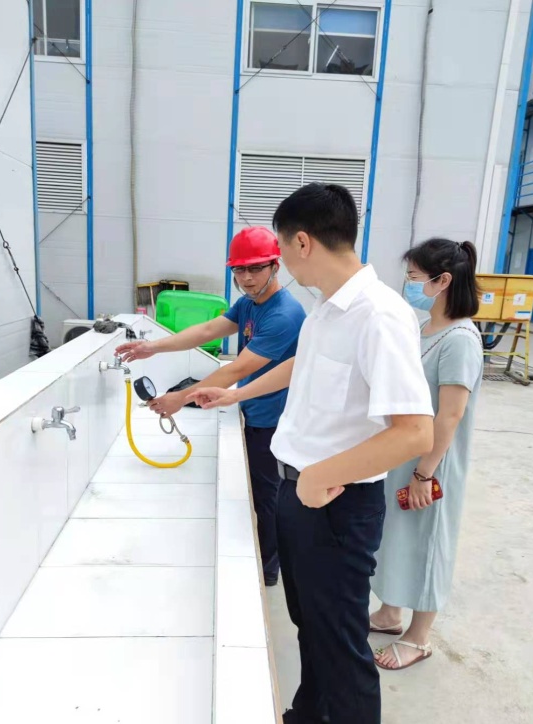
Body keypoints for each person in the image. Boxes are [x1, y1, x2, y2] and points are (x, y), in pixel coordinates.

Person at [186, 184, 434, 724]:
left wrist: (319, 476)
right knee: (310, 625)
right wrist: (234, 394)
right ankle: (307, 714)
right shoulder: (327, 308)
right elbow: (302, 366)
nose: (279, 261)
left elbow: (415, 431)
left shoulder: (380, 314)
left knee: (340, 644)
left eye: (279, 246)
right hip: (300, 491)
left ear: (302, 242)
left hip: (336, 505)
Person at [116, 227, 306, 587]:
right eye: (239, 270)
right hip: (254, 409)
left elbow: (237, 369)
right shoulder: (249, 304)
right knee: (259, 493)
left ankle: (269, 569)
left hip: (276, 420)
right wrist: (151, 347)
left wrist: (181, 398)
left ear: (275, 266)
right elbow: (206, 331)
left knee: (267, 497)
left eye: (256, 268)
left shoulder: (284, 314)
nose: (246, 278)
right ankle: (267, 558)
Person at [371, 238, 483, 671]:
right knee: (400, 536)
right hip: (409, 453)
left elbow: (450, 415)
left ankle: (419, 638)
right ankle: (390, 613)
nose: (410, 284)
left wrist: (424, 473)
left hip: (433, 462)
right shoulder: (425, 328)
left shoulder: (461, 339)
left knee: (429, 543)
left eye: (415, 277)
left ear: (443, 281)